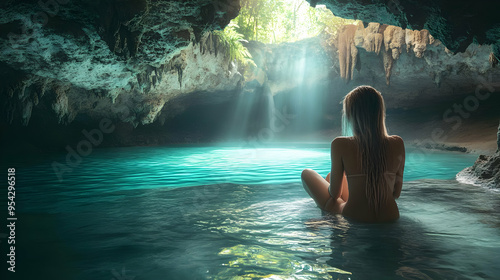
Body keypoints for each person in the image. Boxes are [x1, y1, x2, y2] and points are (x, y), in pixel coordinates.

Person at [301, 86, 405, 223]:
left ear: (351, 115)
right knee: (331, 177)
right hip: (390, 215)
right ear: (380, 113)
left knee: (307, 174)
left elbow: (334, 194)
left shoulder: (340, 144)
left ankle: (327, 219)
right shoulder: (397, 143)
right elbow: (396, 194)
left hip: (354, 215)